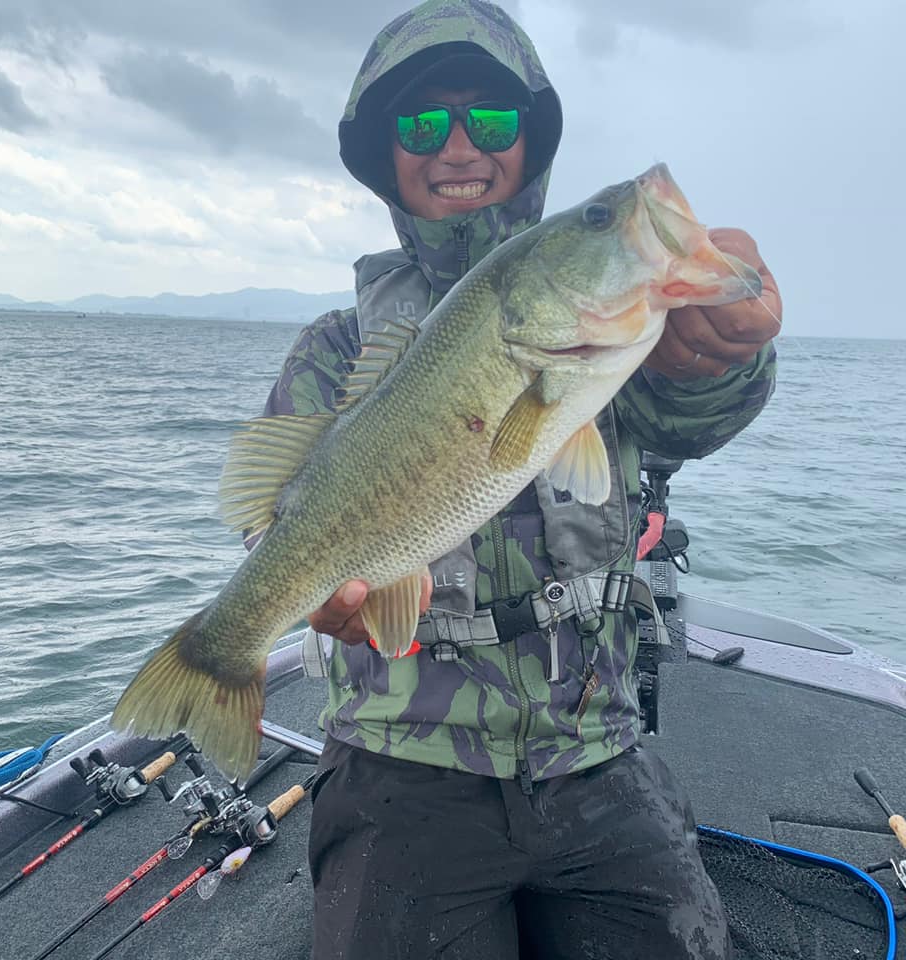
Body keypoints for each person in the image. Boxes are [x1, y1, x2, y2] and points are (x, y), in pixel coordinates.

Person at [259, 1, 781, 957]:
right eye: (423, 123)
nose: (460, 146)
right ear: (384, 155)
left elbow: (695, 420)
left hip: (596, 750)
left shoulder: (624, 336)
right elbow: (277, 522)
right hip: (396, 760)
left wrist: (728, 353)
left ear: (531, 143)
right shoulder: (334, 349)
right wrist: (298, 588)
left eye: (492, 120)